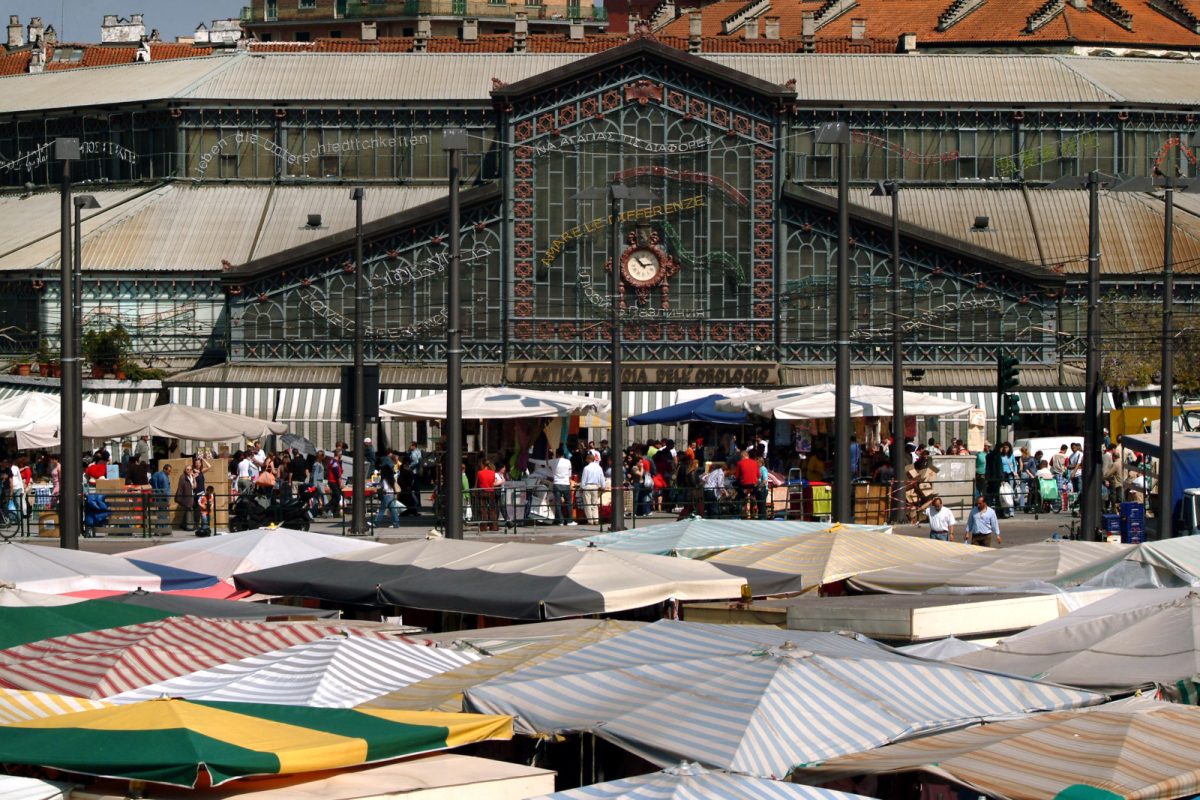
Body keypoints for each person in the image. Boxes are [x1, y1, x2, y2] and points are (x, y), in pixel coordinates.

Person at [550, 447, 575, 526]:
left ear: (556, 454)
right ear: (563, 453)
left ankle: (560, 521)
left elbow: (542, 462)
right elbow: (570, 474)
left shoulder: (553, 461)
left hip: (556, 483)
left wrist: (529, 459)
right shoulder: (568, 461)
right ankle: (569, 521)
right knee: (568, 502)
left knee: (558, 503)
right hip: (566, 483)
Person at [373, 462, 402, 529]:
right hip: (391, 495)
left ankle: (376, 523)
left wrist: (380, 488)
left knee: (382, 510)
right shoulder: (391, 478)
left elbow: (385, 488)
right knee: (393, 510)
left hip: (387, 495)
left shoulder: (384, 479)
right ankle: (396, 524)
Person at [579, 451, 605, 525]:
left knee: (587, 504)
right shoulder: (599, 467)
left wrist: (582, 487)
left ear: (588, 459)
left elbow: (583, 479)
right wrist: (603, 486)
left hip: (587, 486)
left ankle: (590, 520)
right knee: (595, 503)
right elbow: (602, 477)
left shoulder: (586, 468)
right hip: (595, 486)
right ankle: (596, 519)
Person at [175, 465, 198, 531]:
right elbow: (180, 488)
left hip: (191, 496)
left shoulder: (191, 476)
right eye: (187, 469)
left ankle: (183, 525)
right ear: (185, 470)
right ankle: (189, 527)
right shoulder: (182, 477)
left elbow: (194, 486)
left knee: (189, 509)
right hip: (186, 496)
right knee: (189, 509)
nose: (189, 471)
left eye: (190, 469)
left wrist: (194, 478)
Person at [150, 463, 171, 534]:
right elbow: (166, 490)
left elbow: (150, 481)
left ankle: (158, 530)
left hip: (157, 497)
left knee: (159, 514)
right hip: (163, 498)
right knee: (163, 515)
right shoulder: (164, 477)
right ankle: (163, 530)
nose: (169, 472)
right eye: (169, 471)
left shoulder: (156, 474)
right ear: (165, 469)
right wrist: (168, 500)